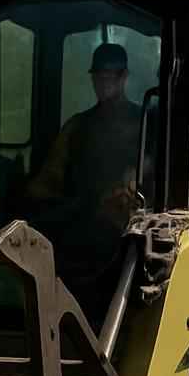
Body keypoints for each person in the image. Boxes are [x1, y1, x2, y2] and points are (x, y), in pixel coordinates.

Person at [26, 42, 145, 233]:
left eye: (109, 77)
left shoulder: (146, 122)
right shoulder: (77, 126)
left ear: (124, 77)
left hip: (130, 226)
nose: (102, 84)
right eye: (98, 77)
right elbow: (47, 180)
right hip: (83, 221)